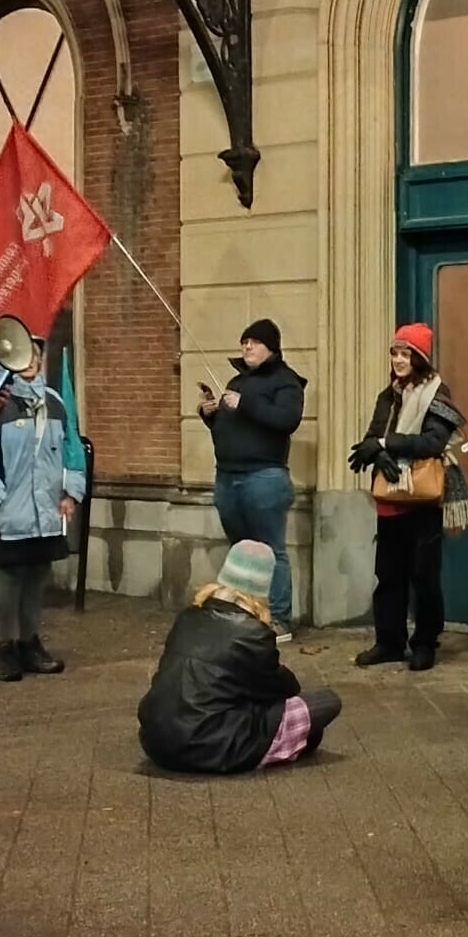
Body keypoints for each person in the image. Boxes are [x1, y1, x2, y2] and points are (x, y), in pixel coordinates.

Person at [136, 541, 342, 774]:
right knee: (327, 702)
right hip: (212, 747)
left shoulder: (188, 617)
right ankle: (284, 746)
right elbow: (283, 689)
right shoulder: (253, 634)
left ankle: (286, 742)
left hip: (157, 741)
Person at [0, 336, 87, 682]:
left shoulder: (56, 403)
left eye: (35, 354)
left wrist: (71, 493)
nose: (31, 360)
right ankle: (5, 647)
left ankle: (29, 643)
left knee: (37, 576)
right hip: (9, 512)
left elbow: (71, 450)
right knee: (11, 576)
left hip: (47, 511)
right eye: (24, 354)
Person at [349, 324, 464, 672]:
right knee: (388, 574)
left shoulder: (436, 394)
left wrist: (387, 445)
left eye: (406, 353)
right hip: (389, 497)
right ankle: (389, 642)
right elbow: (373, 435)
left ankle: (426, 642)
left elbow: (433, 442)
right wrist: (376, 453)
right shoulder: (388, 395)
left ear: (420, 358)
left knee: (424, 575)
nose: (399, 360)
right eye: (395, 353)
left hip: (422, 498)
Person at [199, 319, 305, 642]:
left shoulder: (286, 382)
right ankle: (244, 614)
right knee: (241, 551)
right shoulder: (236, 381)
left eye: (255, 342)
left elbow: (286, 420)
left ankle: (279, 620)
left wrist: (244, 404)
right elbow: (230, 430)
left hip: (264, 478)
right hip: (228, 477)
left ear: (271, 348)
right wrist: (211, 413)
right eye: (244, 341)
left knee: (270, 550)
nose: (247, 347)